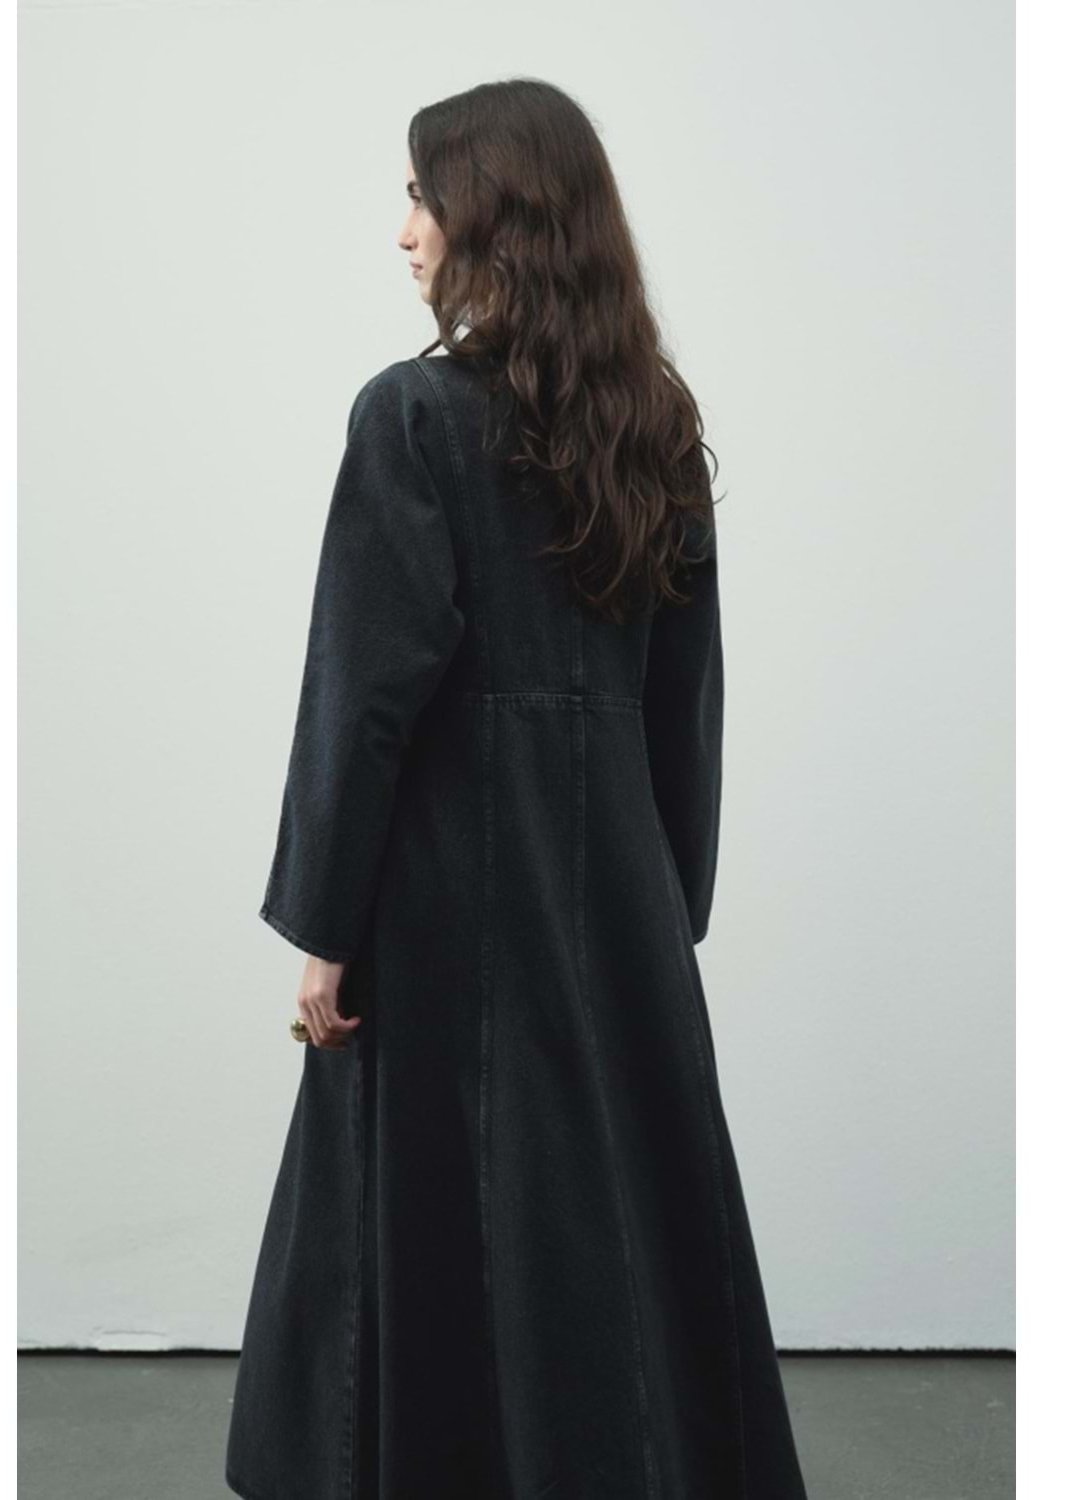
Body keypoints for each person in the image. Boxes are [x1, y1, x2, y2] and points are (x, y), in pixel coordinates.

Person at [226, 78, 810, 1500]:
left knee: (438, 1217)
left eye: (420, 198)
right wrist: (665, 904)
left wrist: (325, 929)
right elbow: (686, 697)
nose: (404, 233)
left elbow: (362, 696)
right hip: (612, 895)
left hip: (442, 903)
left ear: (490, 214)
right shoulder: (651, 423)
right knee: (608, 1213)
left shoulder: (412, 416)